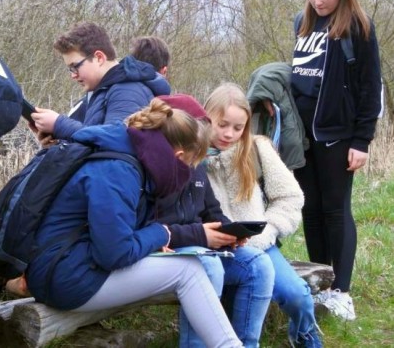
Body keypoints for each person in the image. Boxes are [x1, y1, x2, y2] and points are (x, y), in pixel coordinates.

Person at [26, 97, 242, 347]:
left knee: (188, 268)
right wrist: (161, 233)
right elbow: (115, 253)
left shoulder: (132, 156)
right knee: (188, 270)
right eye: (191, 165)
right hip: (65, 276)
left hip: (77, 263)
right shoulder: (118, 170)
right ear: (179, 156)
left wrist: (154, 238)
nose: (190, 173)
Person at [291, 0, 382, 321]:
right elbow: (299, 76)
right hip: (303, 137)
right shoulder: (302, 23)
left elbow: (368, 87)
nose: (318, 0)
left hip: (338, 136)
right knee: (310, 211)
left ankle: (341, 292)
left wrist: (362, 140)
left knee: (336, 210)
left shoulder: (358, 27)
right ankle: (319, 283)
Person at [203, 83, 322, 347]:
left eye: (238, 127)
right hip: (212, 248)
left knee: (296, 295)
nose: (229, 134)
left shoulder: (256, 148)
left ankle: (305, 336)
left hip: (259, 244)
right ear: (206, 116)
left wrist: (267, 231)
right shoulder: (191, 154)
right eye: (222, 124)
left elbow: (290, 196)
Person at [153, 94, 274, 348]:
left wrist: (232, 231)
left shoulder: (196, 165)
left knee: (258, 264)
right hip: (167, 252)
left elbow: (212, 211)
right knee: (209, 266)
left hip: (199, 245)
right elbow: (148, 230)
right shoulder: (153, 167)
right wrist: (201, 235)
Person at [31, 22, 170, 141]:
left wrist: (59, 125)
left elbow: (120, 140)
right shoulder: (102, 91)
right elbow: (93, 146)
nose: (73, 75)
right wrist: (58, 141)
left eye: (75, 67)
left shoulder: (128, 90)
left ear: (99, 58)